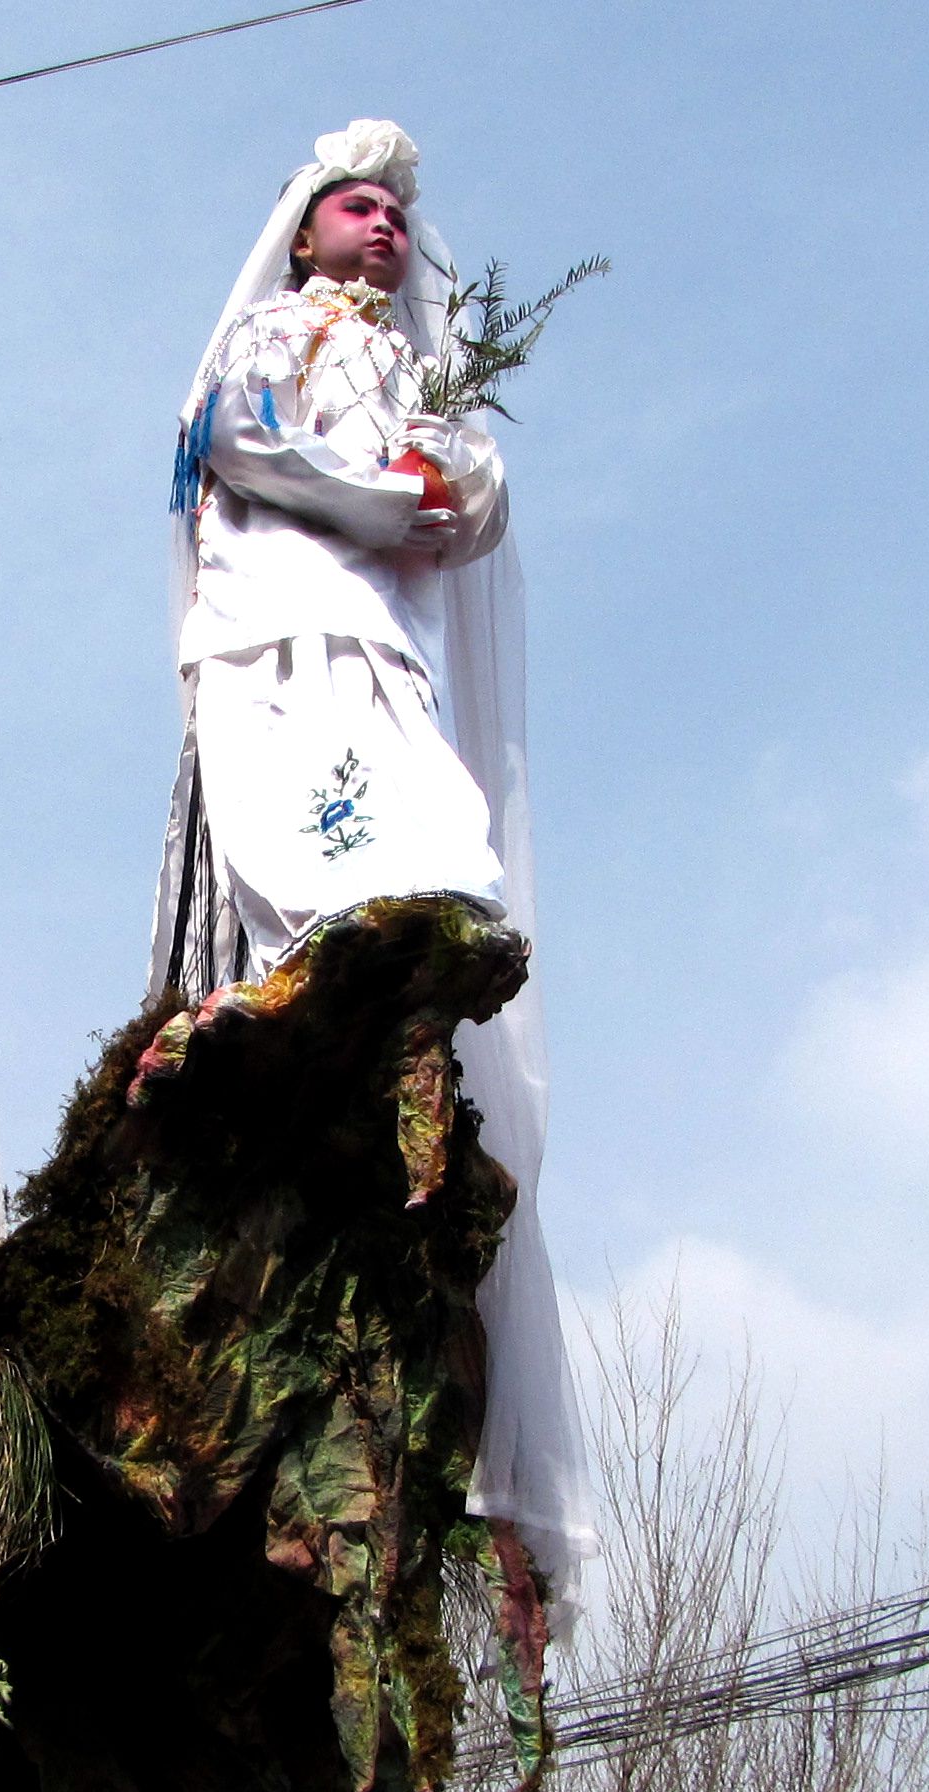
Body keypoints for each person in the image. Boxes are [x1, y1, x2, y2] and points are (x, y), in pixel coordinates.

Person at [153, 119, 589, 1589]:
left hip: (379, 640)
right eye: (356, 207)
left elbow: (470, 502)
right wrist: (387, 496)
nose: (381, 230)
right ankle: (307, 980)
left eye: (397, 215)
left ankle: (398, 1001)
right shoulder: (268, 336)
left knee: (420, 814)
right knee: (310, 806)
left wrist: (443, 487)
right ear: (304, 228)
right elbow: (248, 449)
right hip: (278, 623)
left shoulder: (420, 373)